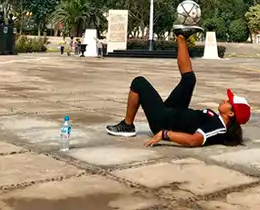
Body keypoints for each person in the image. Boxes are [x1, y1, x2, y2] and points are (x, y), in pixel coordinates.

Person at [105, 24, 251, 147]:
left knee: (139, 82)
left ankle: (127, 125)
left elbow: (194, 140)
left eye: (229, 102)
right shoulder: (218, 120)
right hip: (174, 112)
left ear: (230, 113)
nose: (225, 100)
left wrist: (165, 134)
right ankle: (181, 36)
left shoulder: (217, 128)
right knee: (189, 80)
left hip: (163, 121)